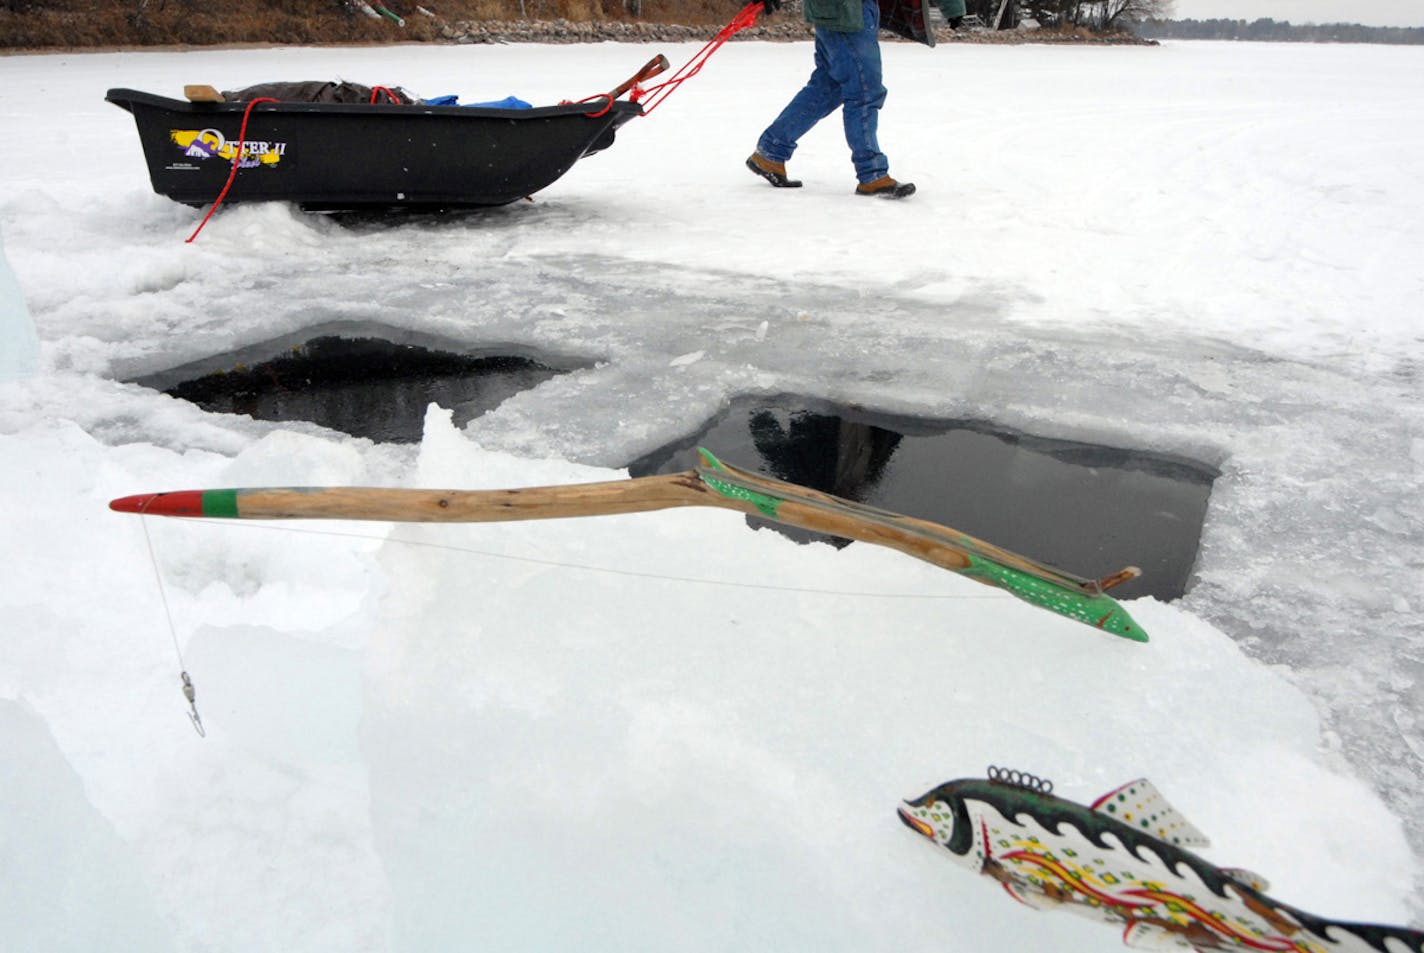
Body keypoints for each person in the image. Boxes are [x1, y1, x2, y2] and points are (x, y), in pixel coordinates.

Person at [747, 0, 964, 199]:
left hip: (844, 11)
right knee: (865, 90)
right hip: (847, 13)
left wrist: (953, 7)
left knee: (828, 87)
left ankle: (772, 151)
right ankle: (872, 174)